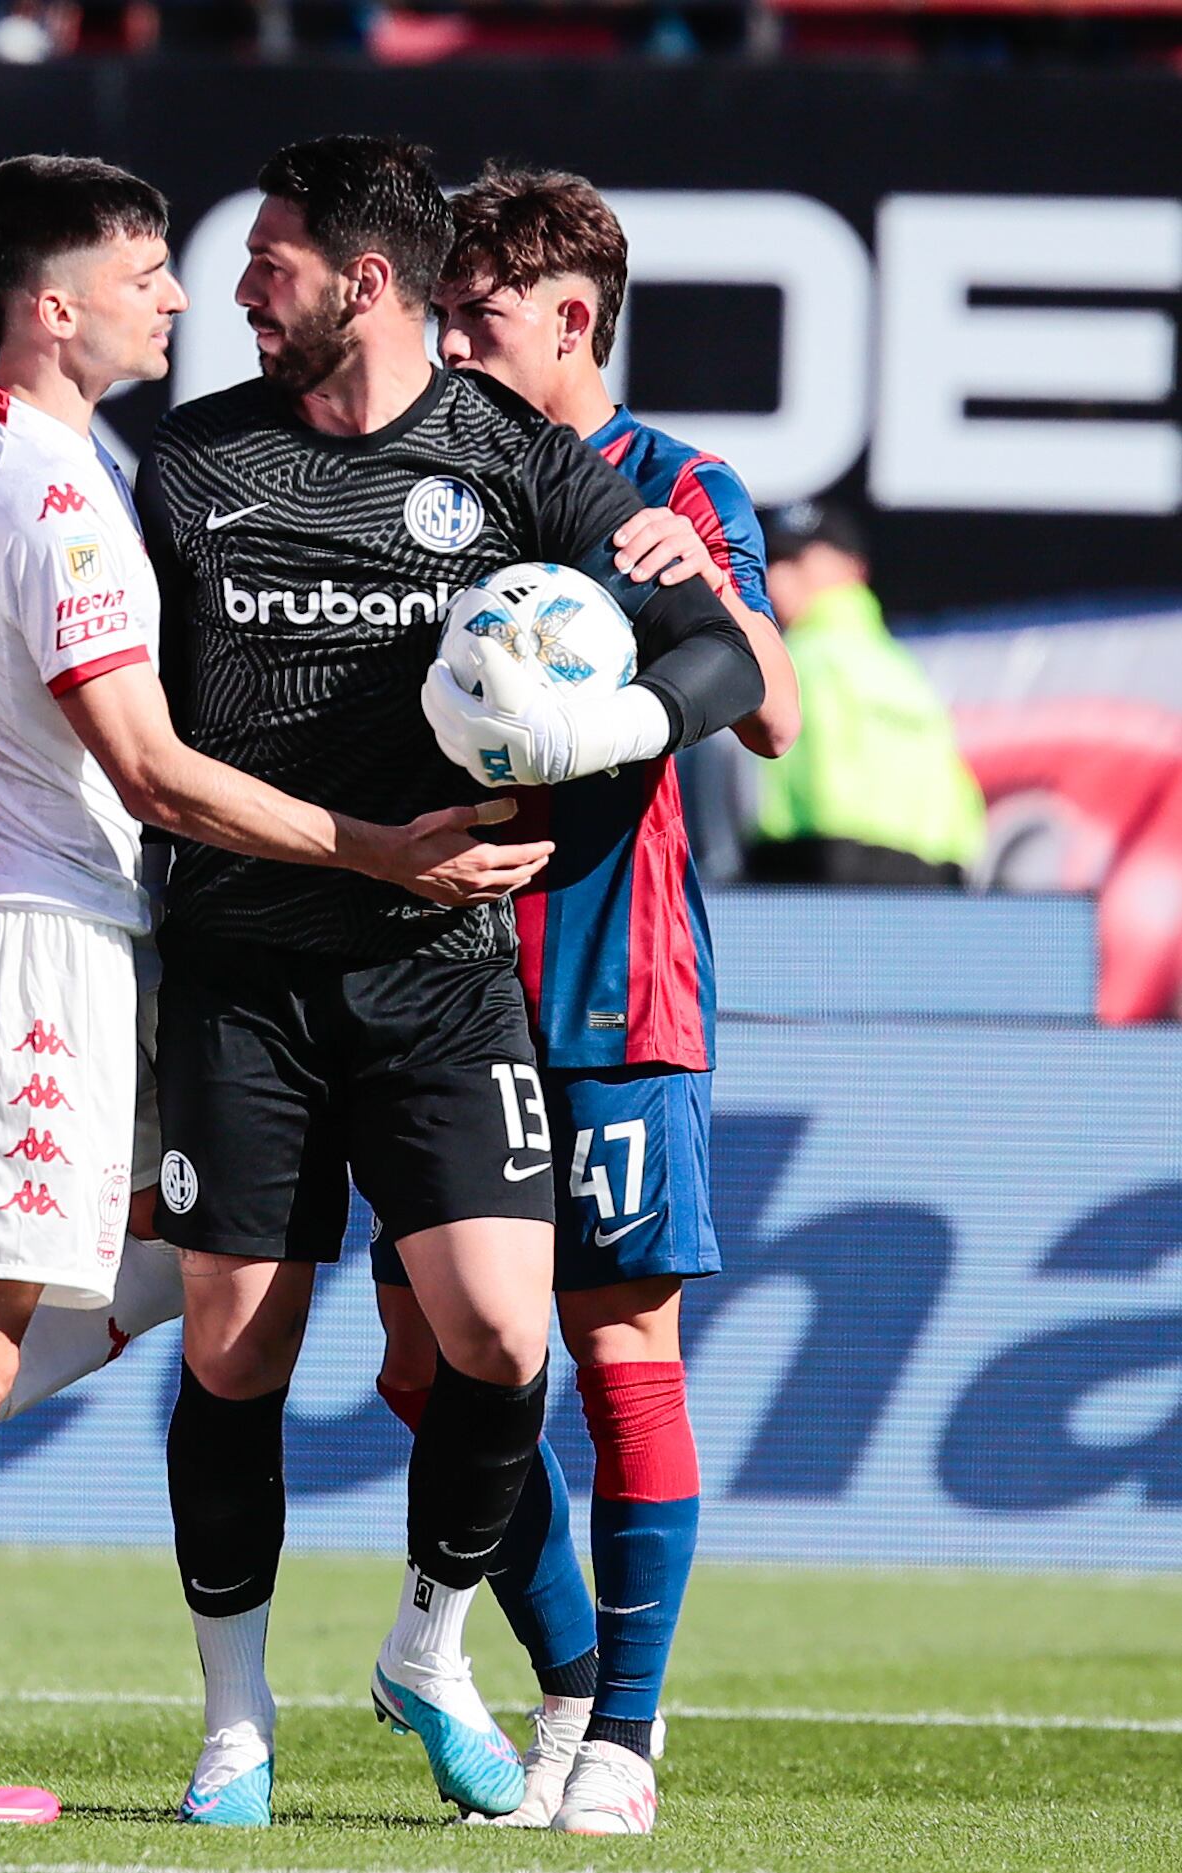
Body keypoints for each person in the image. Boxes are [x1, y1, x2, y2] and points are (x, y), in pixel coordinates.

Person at [0, 152, 556, 1828]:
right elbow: (158, 771)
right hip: (44, 931)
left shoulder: (10, 449)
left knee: (191, 1280)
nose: (184, 293)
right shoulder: (72, 489)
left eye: (226, 261)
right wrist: (378, 847)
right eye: (148, 269)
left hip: (59, 924)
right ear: (53, 307)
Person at [135, 135, 761, 1826]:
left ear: (357, 279)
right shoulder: (182, 465)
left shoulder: (521, 461)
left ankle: (439, 1640)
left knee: (495, 1334)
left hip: (441, 970)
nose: (228, 283)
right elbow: (131, 737)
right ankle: (233, 1719)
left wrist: (624, 716)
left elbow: (715, 647)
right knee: (229, 1345)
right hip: (239, 968)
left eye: (261, 253)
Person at [387, 163, 799, 1836]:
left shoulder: (671, 480)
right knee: (422, 1360)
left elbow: (768, 704)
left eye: (474, 315)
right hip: (424, 989)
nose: (450, 342)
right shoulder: (417, 481)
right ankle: (561, 1671)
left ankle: (619, 1732)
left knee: (616, 1344)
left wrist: (685, 580)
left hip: (607, 990)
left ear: (570, 317)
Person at [743, 500, 981, 888]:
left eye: (799, 561)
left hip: (815, 867)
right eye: (774, 562)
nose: (778, 578)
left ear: (853, 567)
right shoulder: (906, 667)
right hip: (934, 876)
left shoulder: (787, 659)